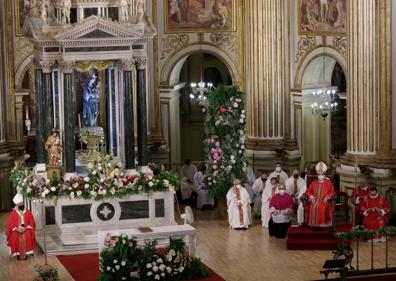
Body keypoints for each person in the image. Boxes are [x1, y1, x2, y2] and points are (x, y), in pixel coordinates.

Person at [305, 161, 335, 228]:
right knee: (312, 206)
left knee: (321, 207)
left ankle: (322, 224)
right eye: (319, 174)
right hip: (315, 200)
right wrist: (311, 197)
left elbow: (332, 192)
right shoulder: (314, 182)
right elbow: (308, 191)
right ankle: (314, 224)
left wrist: (327, 197)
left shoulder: (328, 183)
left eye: (321, 174)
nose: (320, 176)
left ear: (324, 175)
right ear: (317, 175)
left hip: (324, 200)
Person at [6, 194, 36, 259]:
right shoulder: (13, 213)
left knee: (27, 234)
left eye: (21, 205)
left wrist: (26, 227)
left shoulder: (28, 212)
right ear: (16, 205)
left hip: (26, 228)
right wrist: (16, 228)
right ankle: (18, 253)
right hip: (16, 229)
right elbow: (9, 223)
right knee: (14, 235)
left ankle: (27, 253)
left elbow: (32, 222)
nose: (20, 206)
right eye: (18, 205)